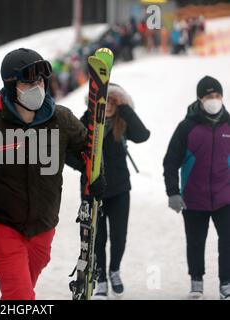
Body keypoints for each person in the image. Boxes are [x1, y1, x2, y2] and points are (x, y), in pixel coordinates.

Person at [0, 48, 105, 300]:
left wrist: (95, 175)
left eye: (40, 80)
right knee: (21, 295)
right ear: (10, 84)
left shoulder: (61, 119)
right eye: (28, 81)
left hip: (43, 226)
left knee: (19, 292)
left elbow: (88, 151)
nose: (36, 86)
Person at [67, 84, 150, 299]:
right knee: (98, 238)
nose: (110, 105)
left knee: (119, 237)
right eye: (107, 101)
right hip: (92, 190)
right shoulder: (85, 121)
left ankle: (114, 270)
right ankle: (101, 277)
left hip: (120, 189)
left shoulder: (122, 123)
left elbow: (143, 135)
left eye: (114, 101)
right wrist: (84, 166)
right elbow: (68, 152)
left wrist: (125, 108)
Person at [163, 76, 230, 300]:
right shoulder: (187, 127)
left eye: (217, 95)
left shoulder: (229, 126)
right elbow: (170, 161)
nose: (214, 100)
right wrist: (172, 192)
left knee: (228, 239)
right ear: (200, 99)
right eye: (209, 96)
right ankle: (196, 280)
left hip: (225, 196)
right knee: (195, 241)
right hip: (194, 197)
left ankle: (226, 283)